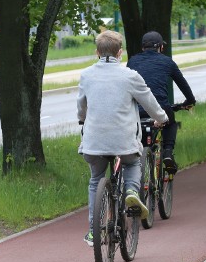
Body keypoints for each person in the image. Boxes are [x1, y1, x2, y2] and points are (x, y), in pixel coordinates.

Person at [77, 30, 168, 247]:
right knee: (132, 161)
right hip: (123, 139)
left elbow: (82, 106)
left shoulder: (86, 75)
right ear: (120, 52)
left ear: (97, 52)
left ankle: (92, 231)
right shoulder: (130, 75)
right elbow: (150, 102)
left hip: (94, 141)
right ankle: (130, 192)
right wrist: (162, 119)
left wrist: (82, 119)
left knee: (95, 179)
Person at [127, 31, 196, 174]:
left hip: (136, 111)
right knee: (170, 123)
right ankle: (168, 153)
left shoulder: (132, 61)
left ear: (142, 48)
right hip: (160, 109)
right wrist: (189, 101)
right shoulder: (167, 62)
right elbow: (184, 86)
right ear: (160, 47)